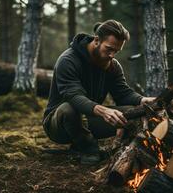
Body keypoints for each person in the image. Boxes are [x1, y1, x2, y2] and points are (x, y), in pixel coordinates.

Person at [43, 20, 155, 165]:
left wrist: (143, 100)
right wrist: (103, 110)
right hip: (58, 125)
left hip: (89, 119)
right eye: (109, 49)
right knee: (68, 109)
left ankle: (125, 151)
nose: (112, 55)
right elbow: (73, 96)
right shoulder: (68, 60)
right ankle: (88, 149)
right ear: (96, 40)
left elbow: (122, 94)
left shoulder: (112, 65)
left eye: (116, 51)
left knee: (136, 113)